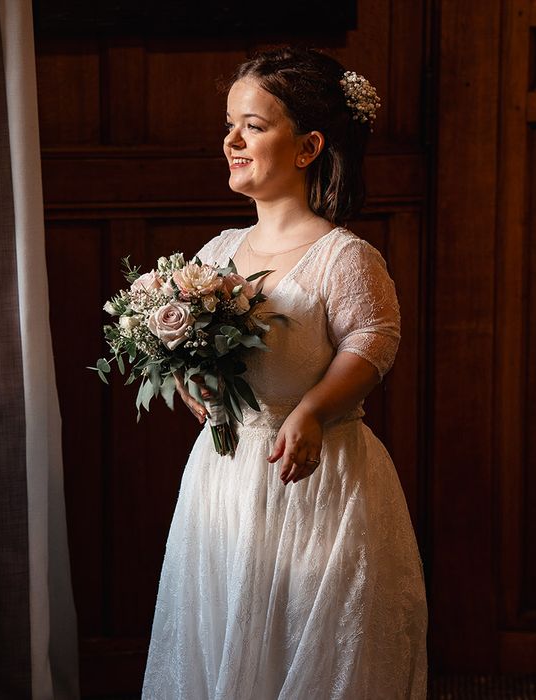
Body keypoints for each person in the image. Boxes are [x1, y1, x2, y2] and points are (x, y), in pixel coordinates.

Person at [142, 46, 427, 699]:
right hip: (225, 478)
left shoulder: (344, 256)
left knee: (312, 637)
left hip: (317, 476)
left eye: (254, 125)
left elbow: (374, 341)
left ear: (308, 148)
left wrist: (311, 410)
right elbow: (207, 357)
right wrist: (192, 379)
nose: (232, 140)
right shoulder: (216, 253)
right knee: (219, 631)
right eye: (229, 124)